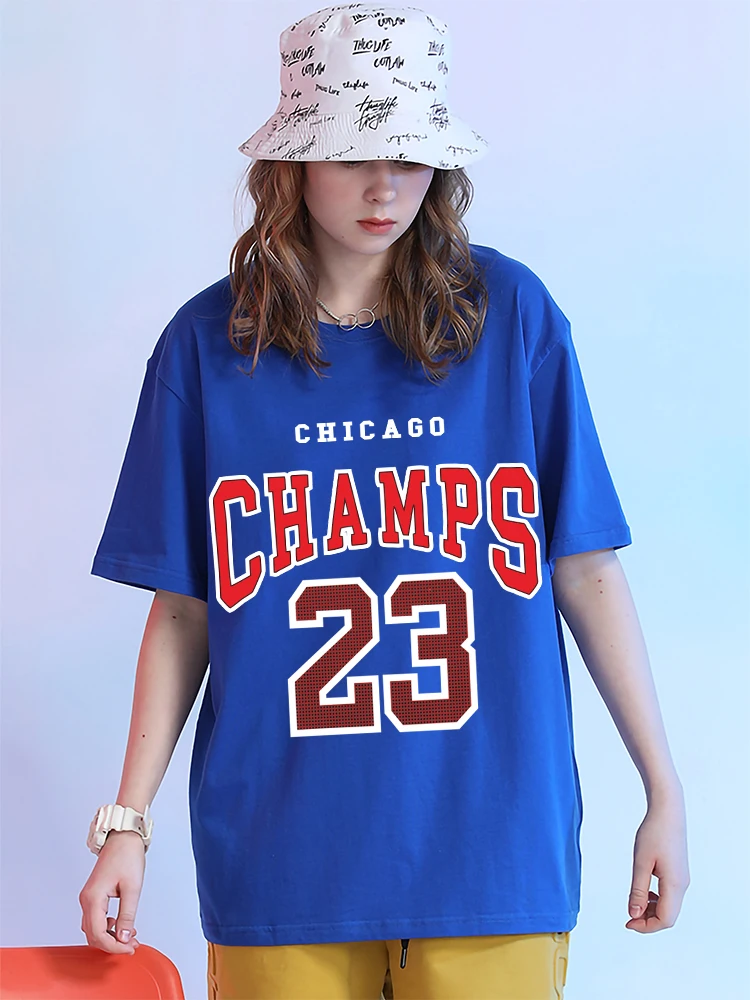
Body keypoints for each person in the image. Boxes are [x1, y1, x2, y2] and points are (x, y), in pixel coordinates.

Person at [78, 4, 690, 999]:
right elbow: (183, 608)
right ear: (293, 163)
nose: (384, 186)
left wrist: (662, 788)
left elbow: (584, 567)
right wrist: (127, 823)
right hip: (282, 854)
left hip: (492, 848)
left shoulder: (511, 317)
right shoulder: (206, 346)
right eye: (353, 154)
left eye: (409, 157)